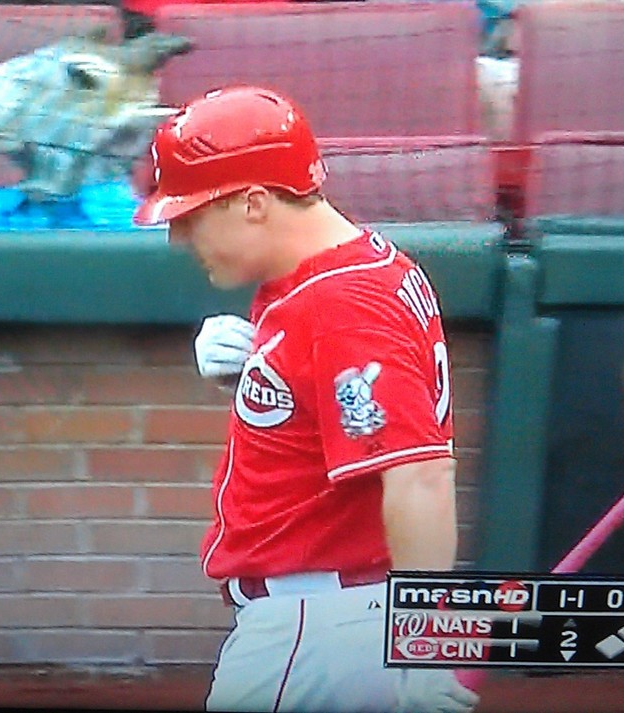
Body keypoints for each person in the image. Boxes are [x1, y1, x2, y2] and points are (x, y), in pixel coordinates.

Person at [132, 85, 480, 713]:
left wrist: (424, 641)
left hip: (322, 634)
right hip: (334, 622)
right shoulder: (349, 269)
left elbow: (420, 475)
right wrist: (259, 375)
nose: (180, 238)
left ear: (254, 203)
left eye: (190, 217)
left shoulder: (340, 304)